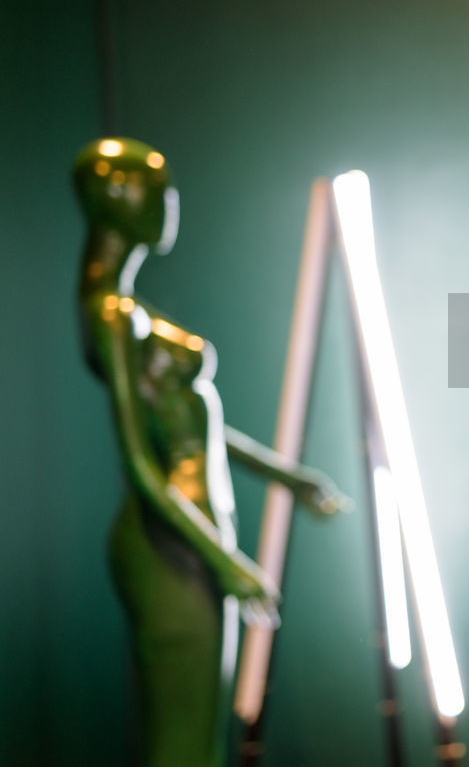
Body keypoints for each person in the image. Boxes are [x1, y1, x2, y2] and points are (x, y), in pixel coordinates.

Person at [73, 137, 350, 767]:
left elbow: (196, 429)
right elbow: (142, 465)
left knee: (202, 738)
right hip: (170, 544)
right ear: (116, 194)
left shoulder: (128, 311)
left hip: (191, 539)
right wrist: (225, 559)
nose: (169, 203)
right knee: (182, 741)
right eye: (156, 188)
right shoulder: (112, 316)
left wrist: (289, 478)